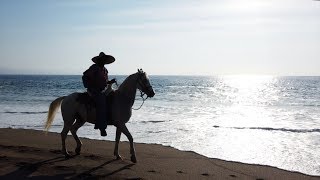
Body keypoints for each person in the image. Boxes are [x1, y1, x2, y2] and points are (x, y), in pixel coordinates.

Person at [83, 52, 116, 136]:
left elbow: (105, 82)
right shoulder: (94, 68)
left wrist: (110, 82)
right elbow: (85, 75)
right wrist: (89, 85)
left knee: (114, 97)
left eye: (104, 60)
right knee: (101, 102)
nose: (103, 61)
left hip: (103, 90)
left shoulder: (105, 70)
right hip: (94, 90)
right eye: (102, 59)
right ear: (99, 60)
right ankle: (102, 128)